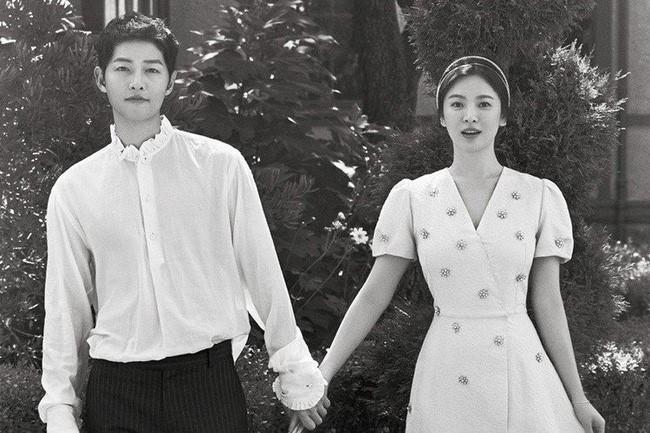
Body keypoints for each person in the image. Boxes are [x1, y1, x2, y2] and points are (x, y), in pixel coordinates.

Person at [38, 11, 328, 433]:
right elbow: (67, 305)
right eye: (123, 69)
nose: (137, 82)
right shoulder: (74, 189)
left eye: (152, 70)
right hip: (116, 392)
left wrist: (295, 371)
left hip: (207, 387)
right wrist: (61, 406)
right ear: (101, 79)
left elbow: (261, 272)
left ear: (170, 81)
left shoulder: (220, 166)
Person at [315, 56, 606, 433]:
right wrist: (323, 373)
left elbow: (548, 301)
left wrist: (578, 398)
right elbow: (374, 295)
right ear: (441, 116)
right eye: (457, 104)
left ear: (502, 115)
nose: (470, 116)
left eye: (484, 104)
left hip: (521, 371)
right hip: (447, 374)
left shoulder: (538, 196)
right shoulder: (414, 198)